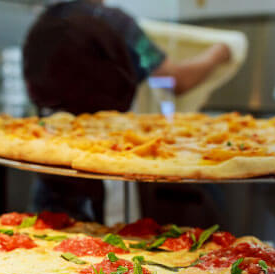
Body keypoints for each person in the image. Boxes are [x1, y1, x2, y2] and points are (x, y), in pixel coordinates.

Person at [22, 0, 230, 221]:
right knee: (110, 244)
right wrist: (221, 52)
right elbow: (174, 80)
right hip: (109, 156)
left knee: (48, 234)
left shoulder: (45, 20)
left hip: (51, 152)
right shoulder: (116, 22)